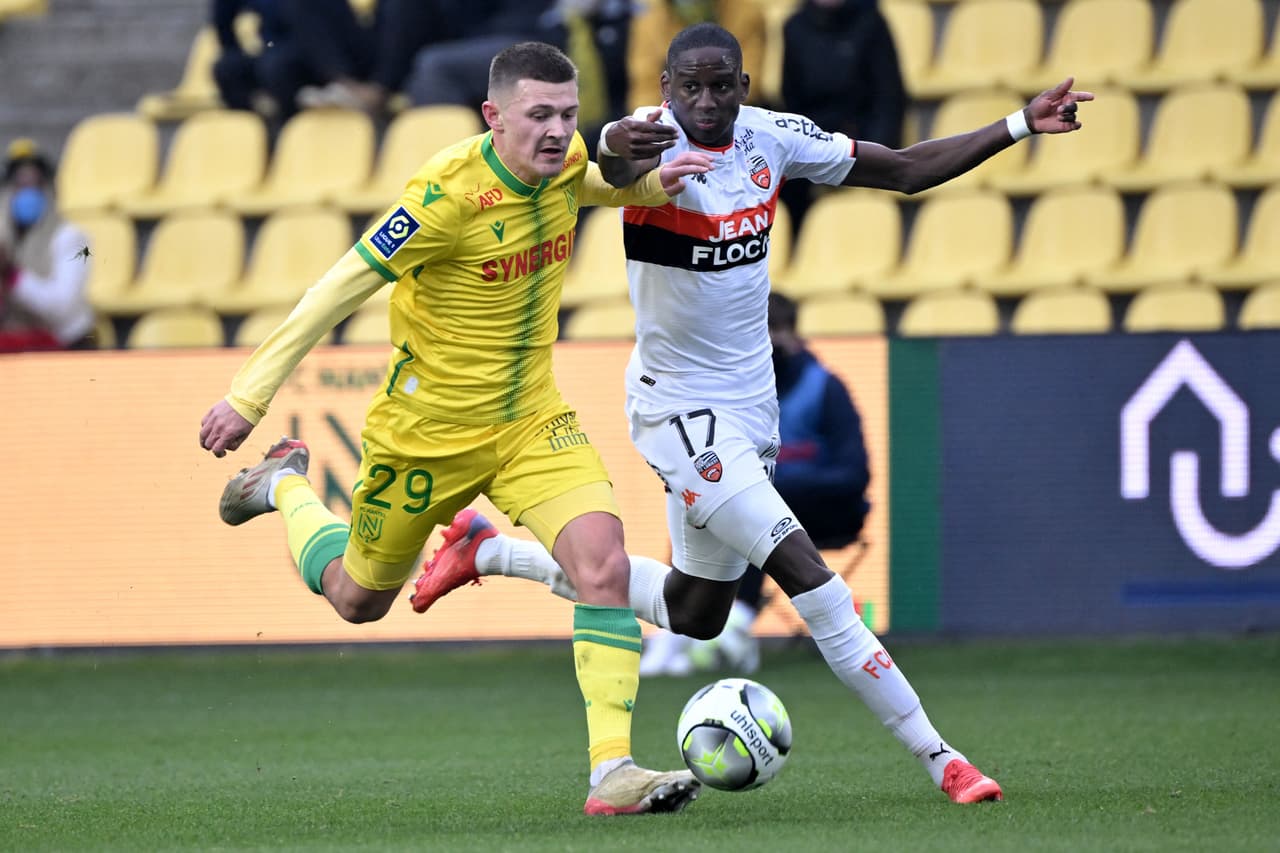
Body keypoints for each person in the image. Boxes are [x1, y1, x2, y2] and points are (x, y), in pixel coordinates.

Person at [412, 23, 1093, 804]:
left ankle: (490, 552)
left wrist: (1019, 124)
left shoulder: (773, 138)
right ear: (666, 89)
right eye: (689, 88)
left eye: (720, 85)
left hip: (750, 408)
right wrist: (616, 144)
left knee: (696, 611)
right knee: (806, 572)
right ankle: (943, 758)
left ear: (744, 84)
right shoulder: (650, 139)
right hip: (677, 410)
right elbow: (611, 159)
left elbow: (905, 171)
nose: (705, 101)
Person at [199, 41, 714, 817]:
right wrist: (249, 395)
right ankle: (285, 486)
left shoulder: (566, 157)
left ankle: (612, 770)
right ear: (492, 117)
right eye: (538, 115)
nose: (557, 131)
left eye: (567, 114)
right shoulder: (444, 198)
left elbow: (586, 183)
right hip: (426, 436)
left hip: (532, 419)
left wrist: (647, 183)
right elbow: (339, 286)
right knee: (357, 599)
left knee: (603, 563)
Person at [638, 291, 871, 677]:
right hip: (752, 505)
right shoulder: (733, 394)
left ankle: (729, 625)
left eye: (772, 331)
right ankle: (679, 630)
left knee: (748, 501)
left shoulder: (825, 388)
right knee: (700, 502)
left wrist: (777, 483)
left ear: (791, 332)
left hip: (827, 513)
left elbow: (853, 476)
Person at [779, 0, 907, 235]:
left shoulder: (871, 22)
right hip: (814, 135)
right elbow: (791, 99)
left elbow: (888, 97)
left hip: (862, 134)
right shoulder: (794, 27)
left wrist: (876, 155)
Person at [0, 138, 97, 352]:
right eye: (20, 186)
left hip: (67, 346)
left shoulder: (73, 236)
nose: (27, 194)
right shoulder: (4, 234)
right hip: (18, 342)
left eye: (35, 186)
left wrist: (11, 275)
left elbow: (62, 309)